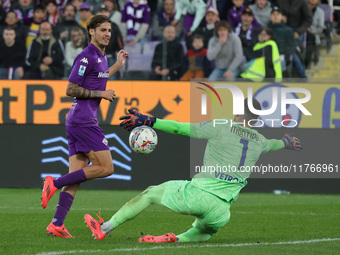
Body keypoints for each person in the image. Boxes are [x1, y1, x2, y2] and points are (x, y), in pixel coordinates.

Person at [84, 100, 302, 242]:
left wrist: (150, 120)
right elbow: (273, 144)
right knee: (205, 231)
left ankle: (104, 228)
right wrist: (285, 142)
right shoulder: (260, 141)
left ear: (237, 112)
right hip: (222, 211)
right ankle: (175, 239)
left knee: (151, 193)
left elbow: (179, 128)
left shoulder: (222, 125)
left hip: (198, 195)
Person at [41, 15, 129, 238]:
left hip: (78, 120)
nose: (107, 34)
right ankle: (54, 182)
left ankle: (57, 224)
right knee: (107, 168)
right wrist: (101, 94)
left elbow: (99, 78)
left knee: (77, 176)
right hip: (83, 120)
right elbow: (70, 88)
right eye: (102, 30)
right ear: (91, 31)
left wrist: (117, 65)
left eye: (109, 30)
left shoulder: (101, 57)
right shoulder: (85, 56)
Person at [268, 6, 297, 74]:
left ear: (282, 16)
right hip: (267, 57)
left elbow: (292, 46)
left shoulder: (288, 30)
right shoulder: (267, 30)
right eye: (273, 14)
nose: (275, 16)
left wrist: (285, 56)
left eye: (278, 14)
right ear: (270, 16)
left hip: (281, 57)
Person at [305, 0, 324, 68]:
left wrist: (313, 31)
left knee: (311, 38)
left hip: (313, 34)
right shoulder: (302, 8)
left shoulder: (320, 12)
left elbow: (321, 28)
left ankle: (307, 62)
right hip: (302, 32)